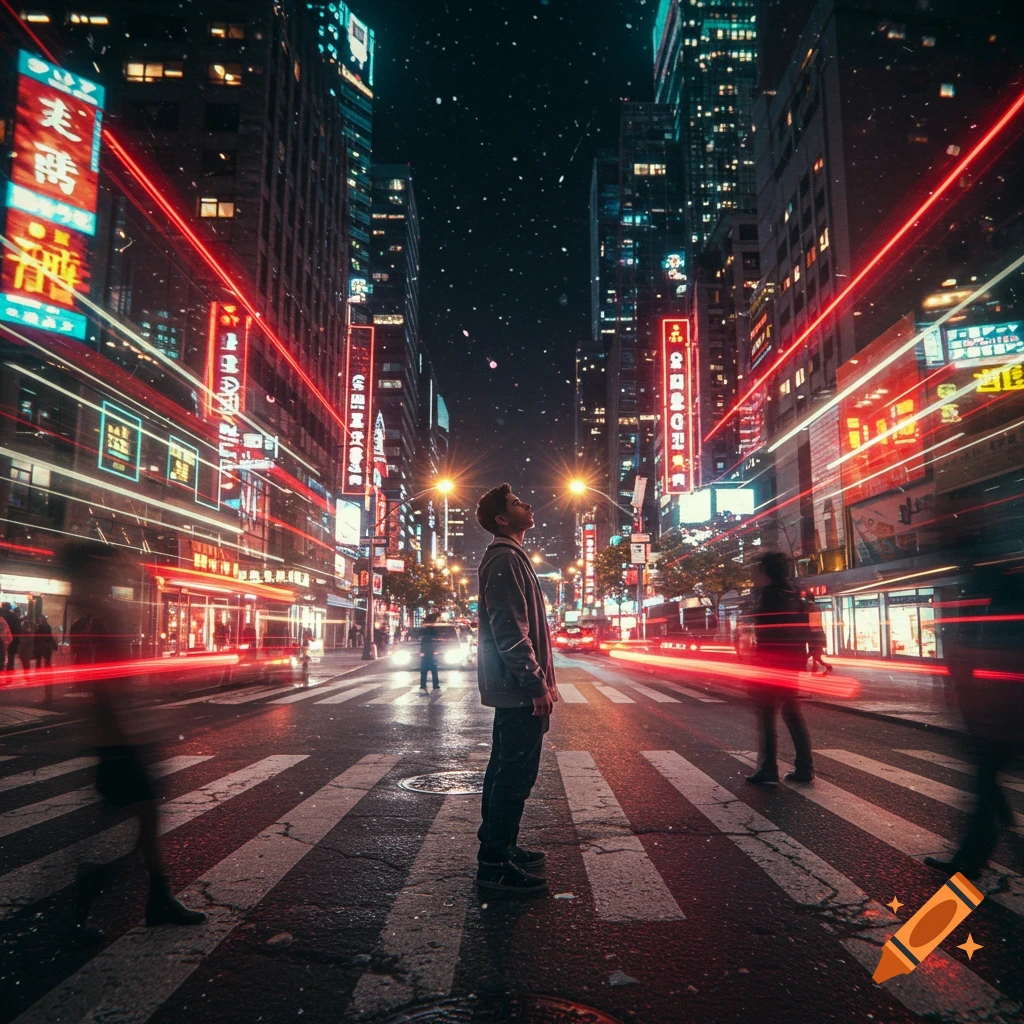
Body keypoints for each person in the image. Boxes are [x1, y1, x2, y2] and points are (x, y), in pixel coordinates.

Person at [65, 543, 206, 933]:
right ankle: (89, 891)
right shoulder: (104, 615)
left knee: (139, 816)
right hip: (120, 742)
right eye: (114, 567)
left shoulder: (91, 613)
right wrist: (135, 732)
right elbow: (110, 686)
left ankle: (154, 897)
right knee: (139, 819)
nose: (122, 573)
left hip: (115, 739)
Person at [474, 483, 558, 896]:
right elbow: (510, 631)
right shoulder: (505, 559)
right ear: (502, 520)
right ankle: (494, 863)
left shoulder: (512, 558)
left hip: (516, 686)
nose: (526, 503)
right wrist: (535, 683)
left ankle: (499, 846)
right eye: (514, 503)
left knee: (505, 768)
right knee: (514, 774)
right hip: (518, 688)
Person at [924, 556, 1024, 880]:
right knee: (985, 782)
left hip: (999, 712)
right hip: (993, 710)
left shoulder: (1003, 607)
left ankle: (972, 859)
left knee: (984, 782)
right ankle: (984, 846)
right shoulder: (996, 603)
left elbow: (1001, 661)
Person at [745, 552, 815, 786]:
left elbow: (764, 631)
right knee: (792, 712)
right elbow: (808, 628)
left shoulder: (768, 595)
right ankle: (805, 766)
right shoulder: (795, 595)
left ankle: (768, 768)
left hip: (771, 662)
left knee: (767, 715)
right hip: (793, 660)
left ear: (766, 571)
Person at [419, 611, 442, 691]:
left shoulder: (424, 630)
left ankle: (423, 685)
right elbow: (435, 641)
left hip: (427, 652)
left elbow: (422, 642)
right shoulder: (432, 630)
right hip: (430, 652)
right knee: (433, 669)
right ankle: (435, 685)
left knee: (424, 670)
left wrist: (422, 651)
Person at [1, 602, 21, 671]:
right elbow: (17, 629)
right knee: (10, 657)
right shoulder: (13, 616)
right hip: (11, 639)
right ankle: (9, 670)